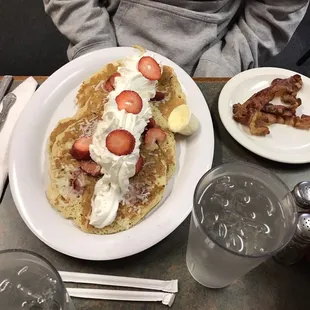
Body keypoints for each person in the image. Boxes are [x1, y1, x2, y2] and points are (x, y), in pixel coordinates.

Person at [43, 0, 309, 77]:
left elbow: (276, 11)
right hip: (104, 46)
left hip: (209, 62)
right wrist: (95, 48)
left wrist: (219, 69)